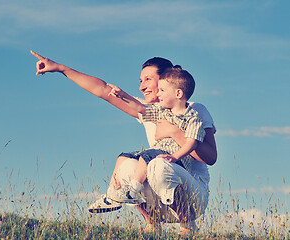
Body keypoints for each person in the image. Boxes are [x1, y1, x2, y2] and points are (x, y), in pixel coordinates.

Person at [30, 51, 217, 234]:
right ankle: (152, 224)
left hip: (192, 198)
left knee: (159, 165)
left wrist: (175, 133)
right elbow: (103, 90)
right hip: (160, 198)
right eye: (141, 81)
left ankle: (187, 226)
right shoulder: (151, 111)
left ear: (166, 81)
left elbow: (210, 157)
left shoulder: (194, 110)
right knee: (128, 166)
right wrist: (61, 69)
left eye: (148, 80)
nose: (142, 87)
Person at [100, 67, 206, 208]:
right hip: (158, 156)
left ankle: (133, 190)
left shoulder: (193, 118)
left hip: (178, 163)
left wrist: (175, 156)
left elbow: (191, 144)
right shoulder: (161, 111)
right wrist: (122, 95)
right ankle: (112, 196)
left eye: (162, 90)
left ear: (178, 93)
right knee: (127, 156)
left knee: (148, 154)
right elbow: (139, 107)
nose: (158, 93)